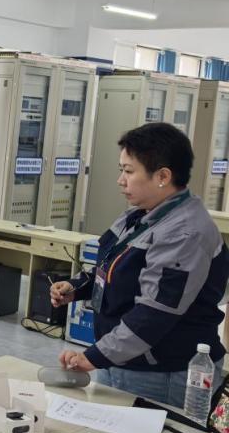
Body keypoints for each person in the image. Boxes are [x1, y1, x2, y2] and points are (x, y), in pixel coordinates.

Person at [51, 122, 227, 407]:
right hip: (122, 359)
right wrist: (77, 287)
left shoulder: (185, 233)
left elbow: (155, 313)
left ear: (163, 176)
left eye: (129, 171)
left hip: (163, 375)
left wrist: (94, 356)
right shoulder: (141, 216)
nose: (120, 180)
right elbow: (111, 266)